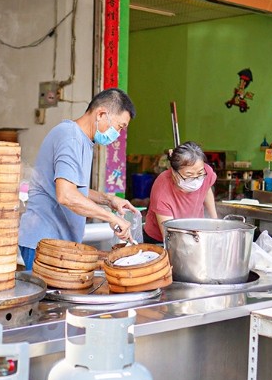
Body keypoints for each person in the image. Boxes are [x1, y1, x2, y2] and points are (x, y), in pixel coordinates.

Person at [18, 88, 140, 271]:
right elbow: (66, 195)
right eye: (119, 126)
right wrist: (111, 218)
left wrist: (109, 200)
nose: (118, 134)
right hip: (43, 244)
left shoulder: (83, 141)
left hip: (58, 244)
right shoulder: (70, 137)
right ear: (101, 114)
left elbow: (72, 187)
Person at [143, 141, 218, 243]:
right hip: (160, 239)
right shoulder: (162, 190)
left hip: (195, 232)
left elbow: (206, 190)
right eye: (189, 175)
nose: (196, 179)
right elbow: (169, 236)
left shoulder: (206, 172)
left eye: (200, 173)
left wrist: (215, 221)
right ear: (174, 172)